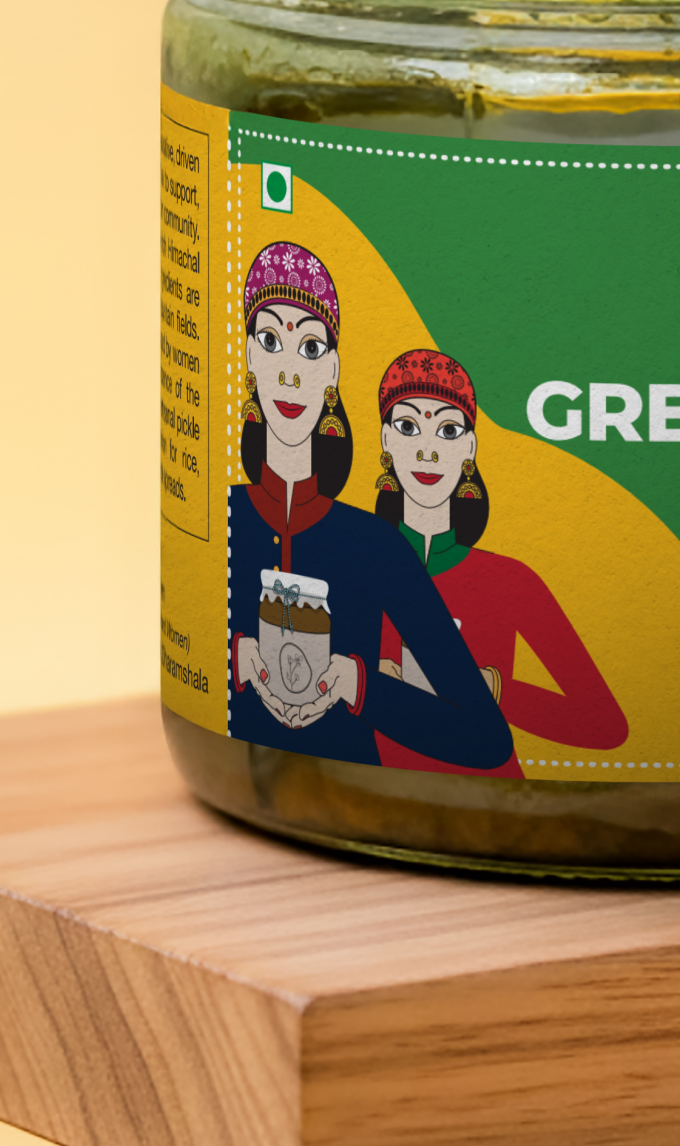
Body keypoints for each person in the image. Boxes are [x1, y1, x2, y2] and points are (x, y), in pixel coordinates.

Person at [227, 244, 513, 771]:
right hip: (248, 769)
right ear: (247, 355)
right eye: (270, 341)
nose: (289, 374)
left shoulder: (375, 545)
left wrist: (359, 685)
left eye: (310, 347)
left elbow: (486, 736)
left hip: (352, 779)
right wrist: (235, 658)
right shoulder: (225, 518)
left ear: (333, 369)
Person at [373, 347, 627, 775]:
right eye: (408, 427)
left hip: (493, 782)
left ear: (470, 447)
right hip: (369, 782)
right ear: (385, 440)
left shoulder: (510, 580)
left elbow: (605, 723)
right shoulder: (353, 562)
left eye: (448, 430)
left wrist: (493, 690)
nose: (427, 452)